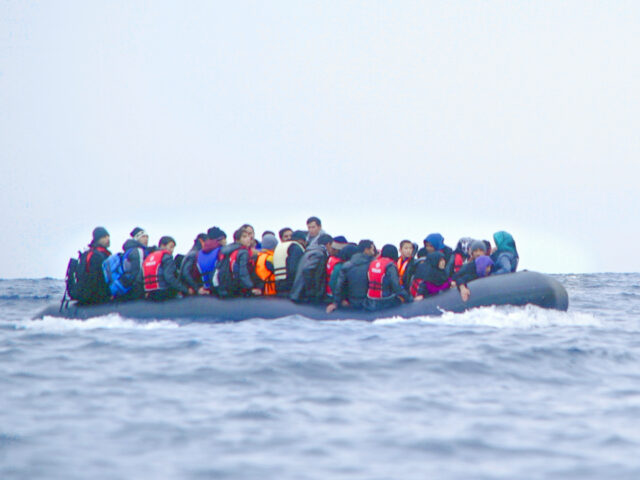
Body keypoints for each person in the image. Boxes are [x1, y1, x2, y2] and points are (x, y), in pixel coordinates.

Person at [326, 240, 376, 313]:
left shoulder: (347, 265)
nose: (373, 251)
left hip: (351, 302)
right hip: (369, 303)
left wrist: (336, 302)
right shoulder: (373, 265)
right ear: (366, 250)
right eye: (372, 249)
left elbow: (339, 286)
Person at [363, 244, 412, 311]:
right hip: (385, 300)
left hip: (370, 299)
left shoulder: (373, 263)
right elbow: (396, 286)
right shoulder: (390, 265)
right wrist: (408, 298)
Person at [217, 227, 262, 298]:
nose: (248, 238)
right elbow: (243, 273)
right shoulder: (243, 252)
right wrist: (251, 287)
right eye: (244, 237)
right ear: (238, 239)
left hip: (226, 288)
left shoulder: (227, 250)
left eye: (248, 236)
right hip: (238, 289)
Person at [143, 236, 190, 301]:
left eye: (173, 247)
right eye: (171, 247)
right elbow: (169, 277)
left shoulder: (149, 257)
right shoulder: (167, 257)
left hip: (150, 292)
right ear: (162, 246)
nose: (172, 250)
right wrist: (185, 289)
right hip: (164, 291)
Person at [290, 234, 333, 303]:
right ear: (328, 244)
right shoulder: (318, 254)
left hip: (299, 292)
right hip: (304, 295)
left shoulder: (311, 251)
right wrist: (312, 291)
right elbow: (307, 270)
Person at [75, 227, 112, 305]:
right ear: (98, 239)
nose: (108, 239)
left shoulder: (98, 253)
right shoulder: (96, 255)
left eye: (108, 236)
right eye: (104, 237)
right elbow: (96, 278)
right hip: (94, 296)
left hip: (89, 294)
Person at [117, 227, 151, 301]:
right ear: (136, 238)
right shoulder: (138, 251)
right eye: (143, 237)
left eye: (147, 237)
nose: (146, 239)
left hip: (127, 286)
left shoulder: (128, 250)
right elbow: (138, 272)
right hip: (136, 289)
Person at [273, 230, 307, 295]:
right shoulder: (296, 247)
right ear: (301, 240)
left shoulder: (280, 246)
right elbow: (294, 268)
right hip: (289, 285)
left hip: (278, 283)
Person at [197, 227, 226, 292]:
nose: (226, 241)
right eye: (224, 239)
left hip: (205, 286)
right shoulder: (221, 251)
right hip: (219, 287)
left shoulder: (199, 253)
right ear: (220, 239)